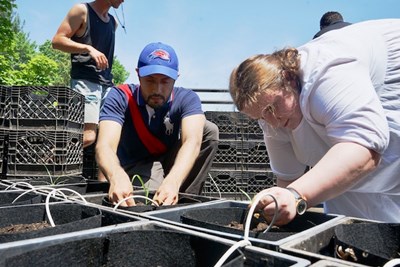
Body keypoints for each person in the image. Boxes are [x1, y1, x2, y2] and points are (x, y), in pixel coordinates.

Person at [229, 19, 400, 225]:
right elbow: (288, 179)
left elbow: (364, 150)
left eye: (272, 107)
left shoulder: (327, 70)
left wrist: (296, 195)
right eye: (261, 116)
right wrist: (279, 204)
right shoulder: (270, 115)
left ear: (288, 78)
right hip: (362, 167)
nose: (273, 121)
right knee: (349, 231)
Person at [96, 42, 219, 207]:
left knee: (208, 130)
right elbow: (105, 145)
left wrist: (173, 181)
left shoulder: (187, 98)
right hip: (135, 164)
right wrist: (116, 175)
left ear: (176, 78)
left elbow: (193, 141)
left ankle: (185, 200)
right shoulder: (120, 96)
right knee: (147, 203)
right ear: (138, 75)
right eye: (150, 80)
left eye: (165, 81)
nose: (157, 89)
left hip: (169, 160)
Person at [52, 0, 124, 148]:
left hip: (106, 85)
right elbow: (57, 41)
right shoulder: (81, 11)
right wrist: (87, 48)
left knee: (108, 139)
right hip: (86, 81)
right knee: (88, 136)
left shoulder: (113, 22)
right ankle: (43, 162)